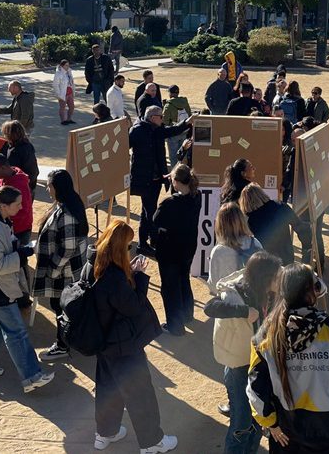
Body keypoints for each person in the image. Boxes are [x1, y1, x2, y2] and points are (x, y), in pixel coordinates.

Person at [249, 263, 329, 453]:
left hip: (285, 432)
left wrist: (270, 423)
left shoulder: (264, 336)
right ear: (312, 292)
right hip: (328, 430)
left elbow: (255, 390)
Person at [90, 220, 177, 453]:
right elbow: (133, 307)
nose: (132, 249)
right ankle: (152, 442)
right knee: (141, 394)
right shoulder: (115, 278)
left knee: (108, 388)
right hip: (123, 345)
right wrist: (138, 277)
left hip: (104, 342)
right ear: (120, 247)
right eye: (129, 245)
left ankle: (105, 433)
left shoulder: (94, 265)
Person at [0, 186, 54, 393]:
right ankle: (31, 378)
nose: (22, 207)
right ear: (4, 206)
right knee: (17, 333)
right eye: (18, 204)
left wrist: (21, 248)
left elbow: (5, 249)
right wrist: (24, 253)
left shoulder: (1, 220)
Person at [206, 251, 283, 454]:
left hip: (261, 364)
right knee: (241, 423)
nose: (280, 280)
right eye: (276, 277)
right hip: (239, 367)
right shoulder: (237, 293)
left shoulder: (270, 292)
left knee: (258, 419)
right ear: (265, 278)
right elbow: (210, 307)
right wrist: (243, 312)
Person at [33, 169, 89, 361]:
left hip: (63, 273)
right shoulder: (71, 204)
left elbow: (67, 248)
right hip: (69, 271)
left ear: (57, 188)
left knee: (60, 308)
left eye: (49, 186)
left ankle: (62, 345)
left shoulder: (66, 214)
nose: (47, 189)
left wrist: (53, 271)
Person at [129, 105, 193, 255]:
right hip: (145, 180)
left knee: (148, 211)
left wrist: (187, 122)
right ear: (152, 118)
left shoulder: (156, 129)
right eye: (160, 117)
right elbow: (123, 145)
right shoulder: (137, 131)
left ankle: (146, 241)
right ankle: (145, 242)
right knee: (150, 211)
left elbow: (171, 131)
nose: (163, 119)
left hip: (156, 179)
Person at [153, 164, 203, 336]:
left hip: (170, 251)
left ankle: (175, 326)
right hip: (188, 247)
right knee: (183, 280)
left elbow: (155, 220)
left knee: (169, 287)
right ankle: (187, 314)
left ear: (176, 181)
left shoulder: (170, 203)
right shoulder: (197, 196)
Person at [207, 202, 264, 292]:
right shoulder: (255, 243)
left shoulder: (218, 251)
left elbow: (214, 286)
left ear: (220, 224)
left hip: (229, 301)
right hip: (253, 300)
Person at [240, 183, 299, 267]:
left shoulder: (251, 220)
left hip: (266, 263)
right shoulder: (280, 206)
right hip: (287, 257)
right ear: (261, 194)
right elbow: (299, 225)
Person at [0, 154, 34, 245]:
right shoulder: (5, 177)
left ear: (3, 168)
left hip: (19, 230)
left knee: (19, 257)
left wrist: (3, 218)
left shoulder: (19, 185)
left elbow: (24, 210)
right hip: (10, 228)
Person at [0, 119, 39, 189]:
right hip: (13, 184)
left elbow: (31, 171)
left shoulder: (24, 148)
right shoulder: (7, 145)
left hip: (21, 186)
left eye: (5, 133)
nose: (4, 136)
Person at [162, 85, 192, 167]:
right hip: (184, 131)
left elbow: (165, 121)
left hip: (173, 133)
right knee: (183, 154)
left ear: (170, 93)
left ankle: (175, 173)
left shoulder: (168, 105)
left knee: (173, 156)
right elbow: (189, 115)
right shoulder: (185, 102)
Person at [52, 59, 77, 125]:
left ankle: (69, 119)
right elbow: (55, 84)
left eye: (68, 65)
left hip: (70, 92)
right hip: (63, 93)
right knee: (62, 107)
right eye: (66, 65)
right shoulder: (58, 73)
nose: (67, 67)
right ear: (62, 66)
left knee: (72, 106)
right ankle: (63, 120)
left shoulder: (69, 72)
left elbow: (71, 82)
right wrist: (58, 94)